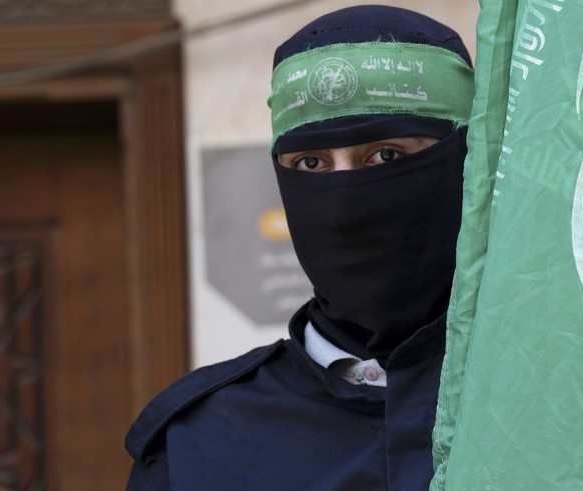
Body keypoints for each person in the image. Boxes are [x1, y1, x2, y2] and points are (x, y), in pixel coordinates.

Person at [125, 5, 474, 490]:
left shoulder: (569, 399)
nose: (345, 205)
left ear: (466, 163)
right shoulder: (195, 444)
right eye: (312, 163)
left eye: (386, 155)